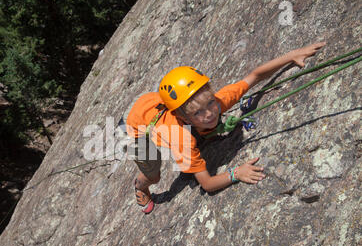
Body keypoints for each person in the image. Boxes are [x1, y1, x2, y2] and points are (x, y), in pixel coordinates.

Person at [125, 42, 326, 214]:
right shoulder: (181, 140)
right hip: (140, 129)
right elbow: (207, 184)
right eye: (198, 113)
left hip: (158, 107)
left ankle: (198, 129)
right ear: (181, 116)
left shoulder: (216, 102)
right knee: (153, 173)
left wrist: (291, 56)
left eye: (210, 103)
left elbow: (254, 76)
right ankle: (140, 187)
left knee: (203, 126)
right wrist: (235, 173)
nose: (210, 114)